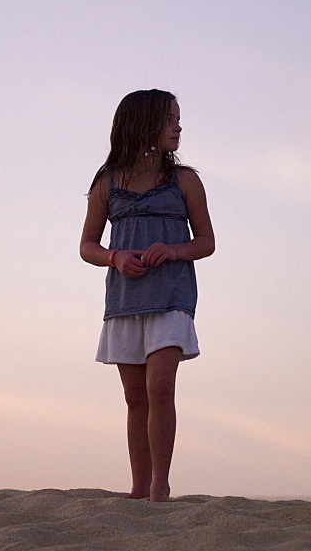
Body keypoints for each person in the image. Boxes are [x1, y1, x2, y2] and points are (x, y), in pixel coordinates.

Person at [80, 89, 215, 502]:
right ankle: (139, 487)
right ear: (143, 125)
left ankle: (160, 486)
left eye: (178, 118)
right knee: (135, 397)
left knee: (160, 388)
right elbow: (87, 246)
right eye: (170, 119)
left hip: (172, 297)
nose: (178, 126)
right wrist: (115, 257)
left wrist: (173, 250)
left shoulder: (185, 180)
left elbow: (206, 242)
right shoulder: (107, 183)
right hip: (124, 301)